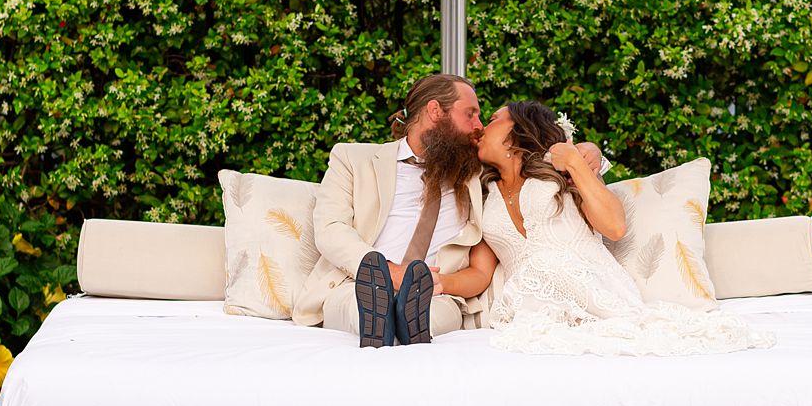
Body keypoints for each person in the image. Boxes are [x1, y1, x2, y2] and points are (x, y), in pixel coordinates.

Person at [460, 100, 771, 356]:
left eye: (493, 119)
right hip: (533, 311)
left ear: (518, 129)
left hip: (594, 292)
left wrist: (575, 161)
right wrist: (436, 282)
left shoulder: (560, 173)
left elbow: (614, 226)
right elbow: (480, 274)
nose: (483, 128)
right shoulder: (483, 194)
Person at [297, 72, 497, 347]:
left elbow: (530, 157)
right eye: (470, 114)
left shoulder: (478, 175)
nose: (480, 126)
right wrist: (387, 272)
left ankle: (402, 321)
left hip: (435, 294)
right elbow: (331, 229)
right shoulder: (352, 158)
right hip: (356, 284)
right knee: (356, 306)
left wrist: (576, 152)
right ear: (435, 111)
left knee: (434, 314)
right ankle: (381, 319)